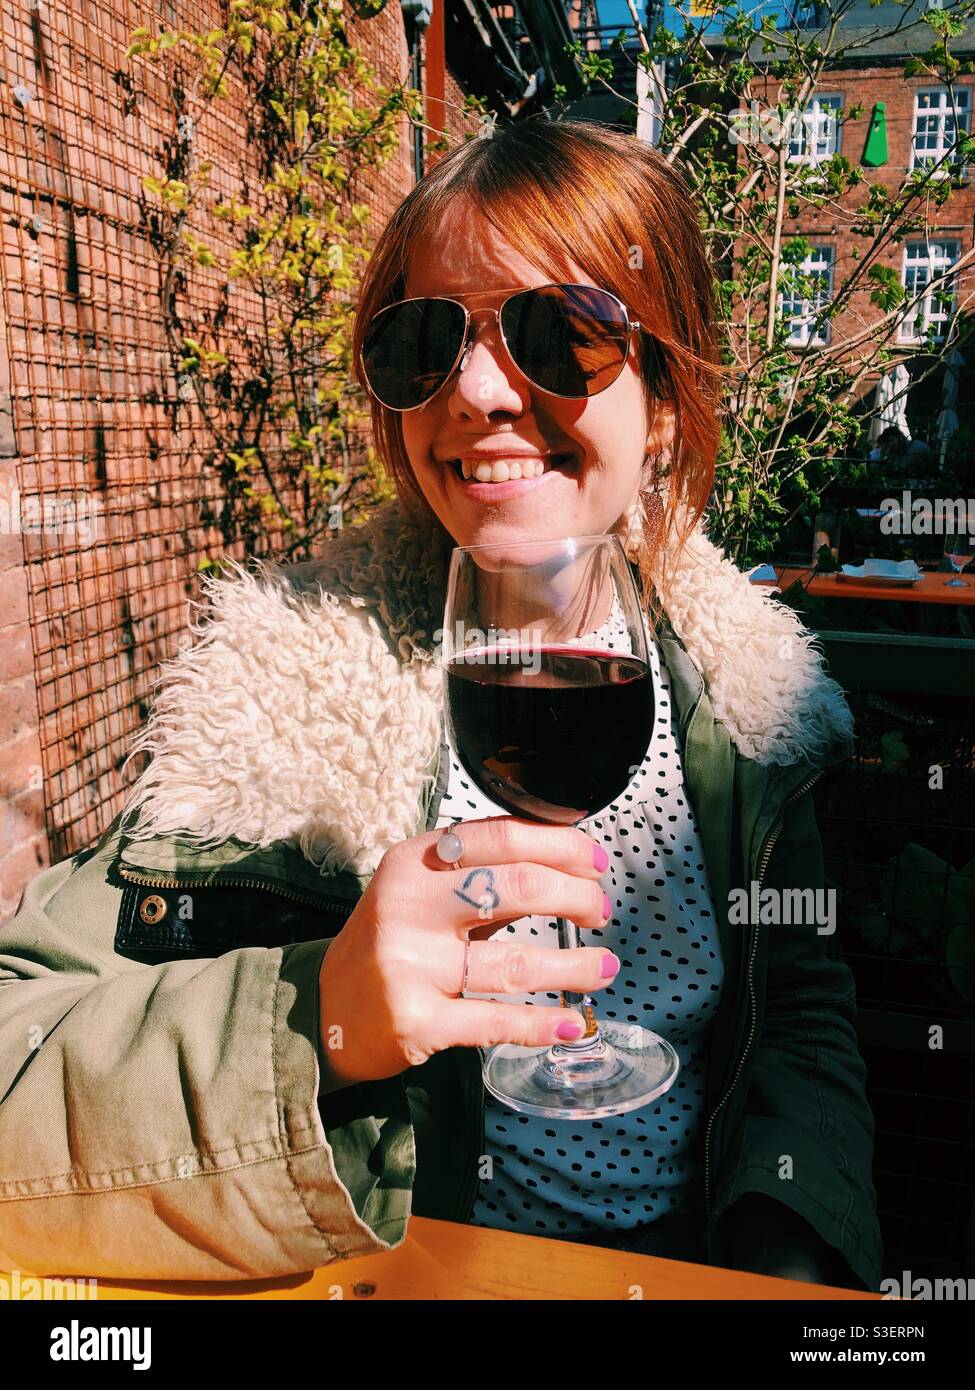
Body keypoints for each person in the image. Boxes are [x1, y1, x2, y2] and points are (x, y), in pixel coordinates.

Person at [0, 119, 882, 1291]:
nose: (475, 391)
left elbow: (800, 1028)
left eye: (560, 334)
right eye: (426, 340)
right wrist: (319, 1009)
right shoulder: (276, 698)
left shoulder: (758, 709)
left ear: (666, 402)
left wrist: (788, 1245)